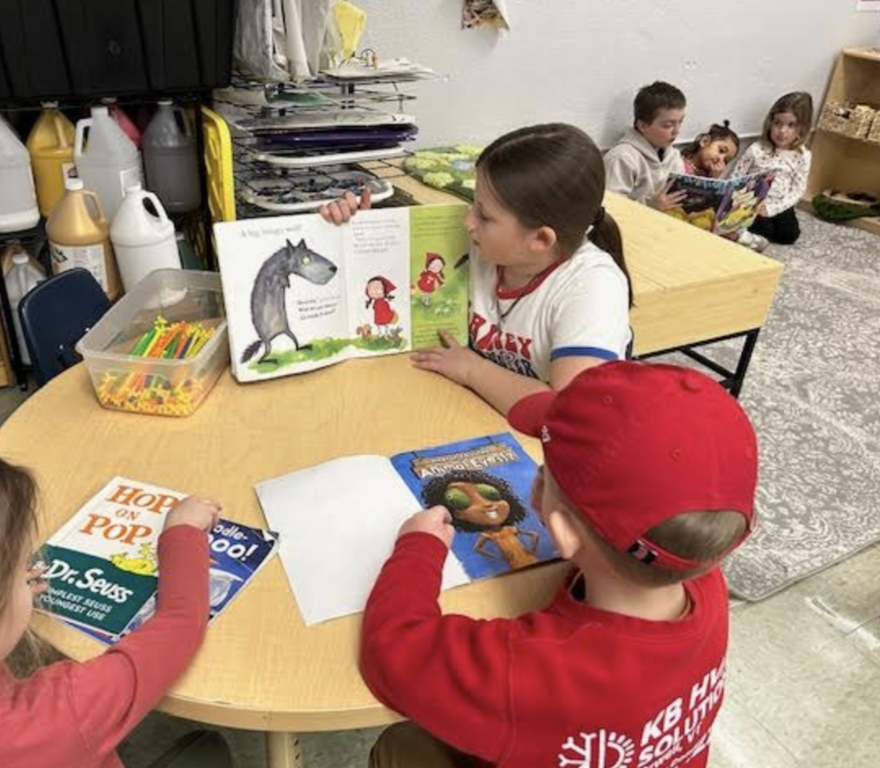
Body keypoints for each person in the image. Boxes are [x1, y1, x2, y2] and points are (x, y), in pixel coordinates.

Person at [361, 361, 758, 768]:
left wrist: (418, 547)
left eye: (544, 471)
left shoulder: (532, 672)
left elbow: (391, 654)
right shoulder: (707, 584)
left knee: (403, 745)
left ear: (562, 532)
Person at [0, 449, 232, 768]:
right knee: (212, 747)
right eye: (19, 568)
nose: (30, 570)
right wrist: (182, 532)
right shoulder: (66, 709)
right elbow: (180, 623)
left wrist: (4, 596)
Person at [321, 123, 632, 415]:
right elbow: (382, 283)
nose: (467, 221)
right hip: (461, 407)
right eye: (473, 204)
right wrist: (358, 230)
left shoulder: (593, 287)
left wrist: (473, 370)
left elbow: (567, 412)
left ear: (540, 238)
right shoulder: (484, 244)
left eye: (484, 215)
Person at [732, 91, 814, 249]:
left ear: (801, 129)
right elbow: (737, 175)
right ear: (770, 122)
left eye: (791, 125)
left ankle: (759, 226)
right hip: (754, 202)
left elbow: (798, 189)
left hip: (779, 203)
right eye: (778, 123)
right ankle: (745, 232)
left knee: (790, 235)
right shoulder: (757, 149)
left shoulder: (803, 156)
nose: (782, 131)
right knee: (765, 231)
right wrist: (743, 202)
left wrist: (773, 209)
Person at [604, 81, 688, 208]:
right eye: (668, 125)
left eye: (680, 122)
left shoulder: (673, 156)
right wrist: (650, 206)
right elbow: (610, 210)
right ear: (643, 126)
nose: (677, 131)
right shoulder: (622, 159)